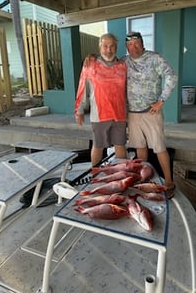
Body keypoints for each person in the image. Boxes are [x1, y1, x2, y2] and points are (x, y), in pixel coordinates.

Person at [124, 31, 178, 198]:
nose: (134, 47)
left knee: (160, 147)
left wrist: (161, 101)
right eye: (130, 45)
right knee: (140, 147)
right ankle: (144, 180)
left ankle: (169, 181)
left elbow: (171, 76)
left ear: (142, 43)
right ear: (127, 47)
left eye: (137, 43)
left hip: (151, 112)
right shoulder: (124, 61)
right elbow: (107, 64)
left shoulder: (155, 58)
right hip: (132, 114)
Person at [74, 33, 127, 166]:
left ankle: (122, 175)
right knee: (98, 146)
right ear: (99, 47)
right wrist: (79, 110)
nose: (109, 50)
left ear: (116, 47)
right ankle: (95, 174)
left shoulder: (123, 66)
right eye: (105, 46)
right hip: (99, 115)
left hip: (119, 115)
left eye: (112, 46)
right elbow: (82, 88)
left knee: (120, 145)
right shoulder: (90, 65)